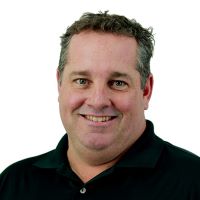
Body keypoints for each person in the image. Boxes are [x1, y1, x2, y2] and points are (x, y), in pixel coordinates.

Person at [0, 11, 199, 200]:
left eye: (118, 83)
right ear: (59, 84)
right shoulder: (14, 184)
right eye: (81, 81)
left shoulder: (193, 182)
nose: (98, 101)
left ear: (146, 90)